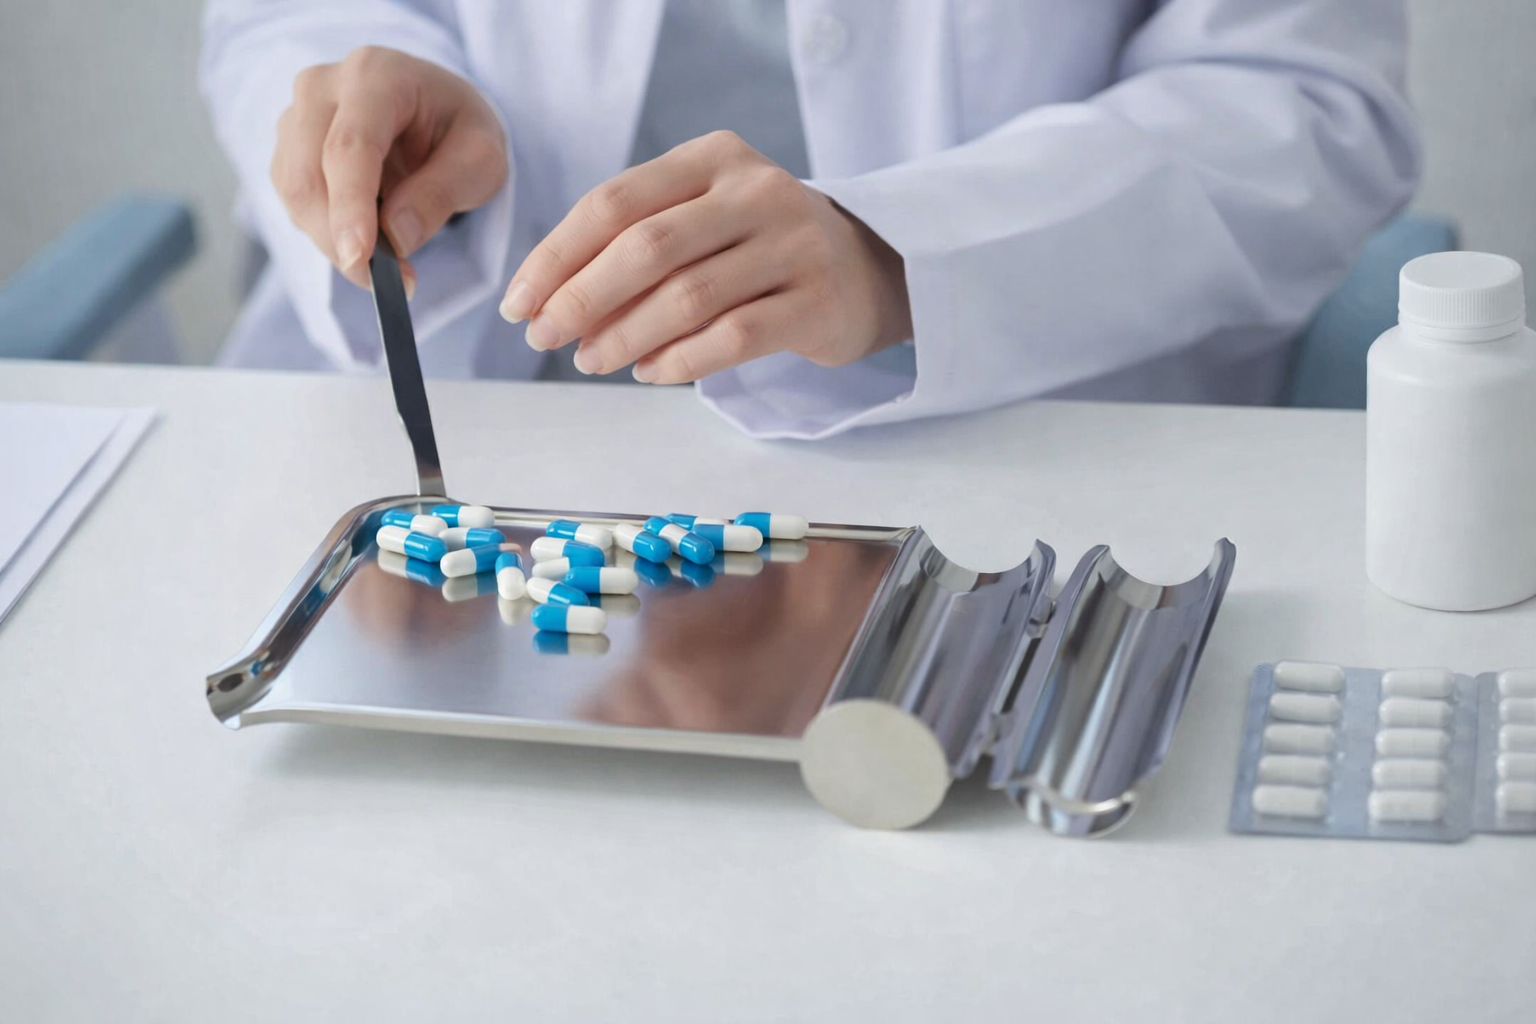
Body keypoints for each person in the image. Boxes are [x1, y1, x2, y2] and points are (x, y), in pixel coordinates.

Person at [200, 0, 1417, 439]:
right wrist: (381, 87)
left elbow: (1304, 103)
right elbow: (281, 19)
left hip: (1009, 444)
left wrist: (906, 256)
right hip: (454, 417)